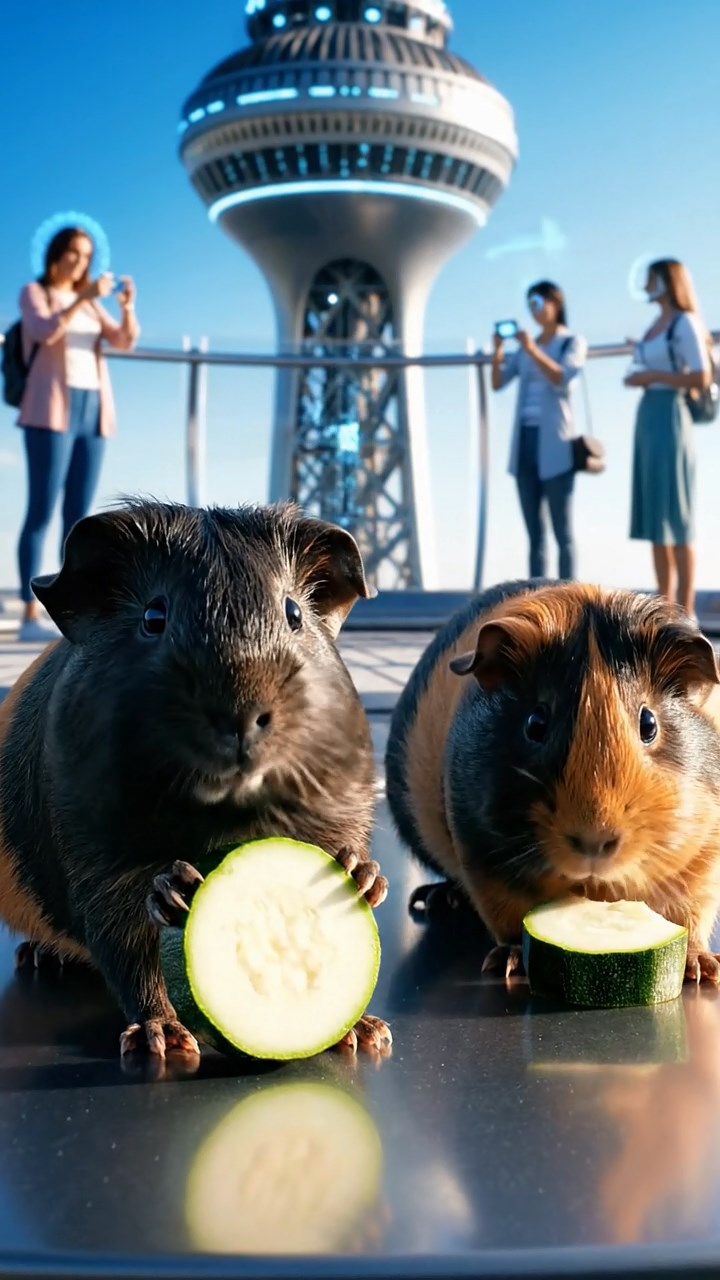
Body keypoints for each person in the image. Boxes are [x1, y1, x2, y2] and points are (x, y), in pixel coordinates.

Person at [16, 226, 139, 641]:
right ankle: (30, 612)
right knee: (40, 511)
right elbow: (44, 332)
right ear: (56, 254)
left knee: (78, 517)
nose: (80, 261)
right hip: (50, 410)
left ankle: (69, 611)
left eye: (86, 255)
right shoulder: (37, 293)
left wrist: (126, 308)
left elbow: (124, 341)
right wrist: (82, 300)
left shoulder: (91, 305)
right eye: (73, 252)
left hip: (93, 411)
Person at [624, 258, 712, 621]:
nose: (646, 285)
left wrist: (653, 375)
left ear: (666, 281)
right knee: (656, 519)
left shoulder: (684, 322)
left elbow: (701, 377)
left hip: (670, 415)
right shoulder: (653, 326)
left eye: (652, 279)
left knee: (676, 514)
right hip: (648, 416)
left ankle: (686, 610)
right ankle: (665, 606)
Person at [491, 281, 587, 581]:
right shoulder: (524, 349)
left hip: (556, 444)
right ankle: (535, 599)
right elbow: (498, 382)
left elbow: (562, 376)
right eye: (530, 304)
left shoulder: (570, 341)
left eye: (538, 302)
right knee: (535, 533)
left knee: (563, 530)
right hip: (525, 443)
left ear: (555, 304)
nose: (534, 310)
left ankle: (568, 598)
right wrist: (498, 351)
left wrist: (532, 350)